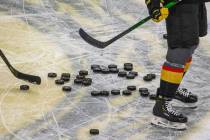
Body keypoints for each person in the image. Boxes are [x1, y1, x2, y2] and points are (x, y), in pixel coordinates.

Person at [145, 0, 208, 130]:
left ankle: (172, 90)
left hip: (195, 5)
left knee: (191, 45)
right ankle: (162, 106)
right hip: (180, 6)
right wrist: (154, 4)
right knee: (181, 48)